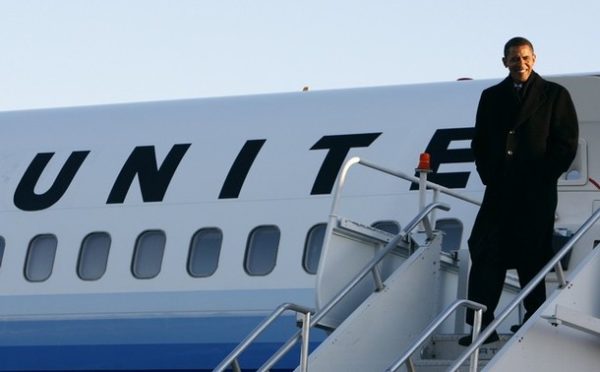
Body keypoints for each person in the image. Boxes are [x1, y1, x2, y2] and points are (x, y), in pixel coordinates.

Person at [459, 37, 579, 346]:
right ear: (504, 62)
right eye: (514, 58)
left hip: (535, 191)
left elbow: (566, 144)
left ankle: (533, 317)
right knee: (485, 249)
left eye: (525, 57)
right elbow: (480, 141)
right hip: (500, 189)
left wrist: (542, 176)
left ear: (534, 58)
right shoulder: (491, 96)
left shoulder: (554, 95)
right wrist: (489, 173)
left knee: (533, 252)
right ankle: (481, 325)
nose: (520, 63)